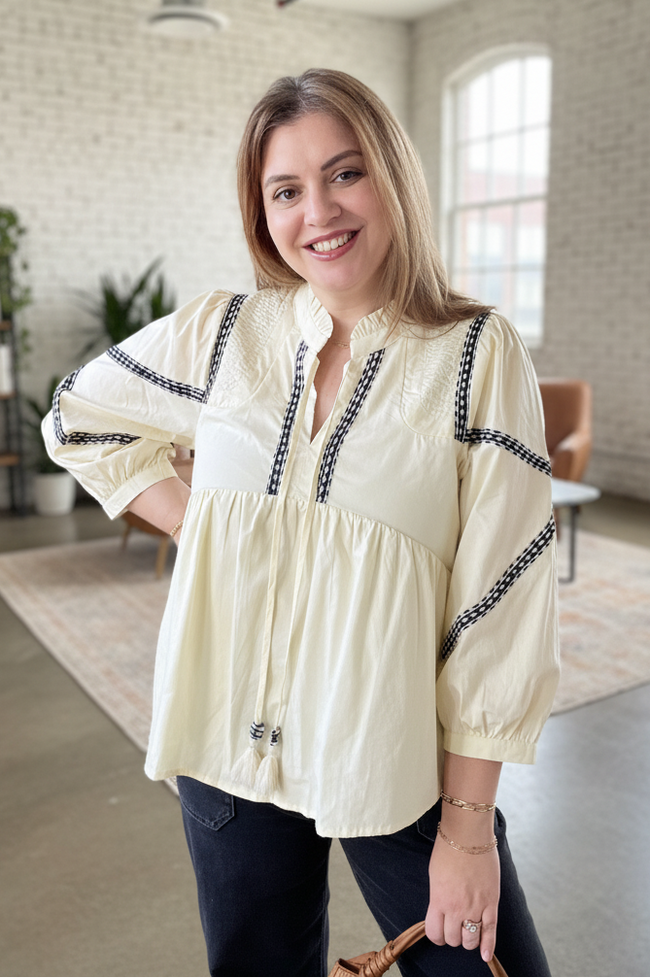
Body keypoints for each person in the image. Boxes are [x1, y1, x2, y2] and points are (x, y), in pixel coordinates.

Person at [43, 69, 559, 978]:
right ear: (263, 211)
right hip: (225, 748)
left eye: (345, 173)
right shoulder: (224, 332)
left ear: (393, 177)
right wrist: (201, 523)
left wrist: (469, 832)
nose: (317, 209)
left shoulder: (477, 354)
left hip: (394, 760)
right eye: (286, 189)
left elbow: (500, 604)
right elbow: (77, 418)